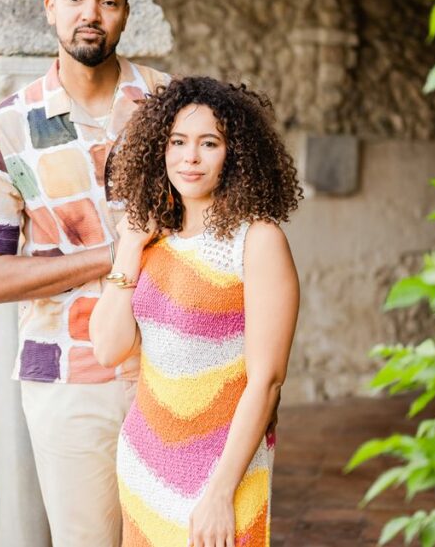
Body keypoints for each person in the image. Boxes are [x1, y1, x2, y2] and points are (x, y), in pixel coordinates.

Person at [0, 0, 169, 547]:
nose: (90, 13)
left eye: (108, 0)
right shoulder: (9, 127)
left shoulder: (171, 110)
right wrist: (114, 254)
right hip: (68, 374)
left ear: (126, 14)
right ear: (50, 9)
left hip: (172, 364)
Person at [90, 77, 302, 547]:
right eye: (177, 142)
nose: (190, 157)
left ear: (236, 155)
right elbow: (107, 348)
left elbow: (266, 381)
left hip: (224, 473)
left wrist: (220, 493)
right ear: (158, 150)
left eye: (209, 143)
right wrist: (129, 246)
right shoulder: (154, 239)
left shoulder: (256, 241)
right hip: (145, 465)